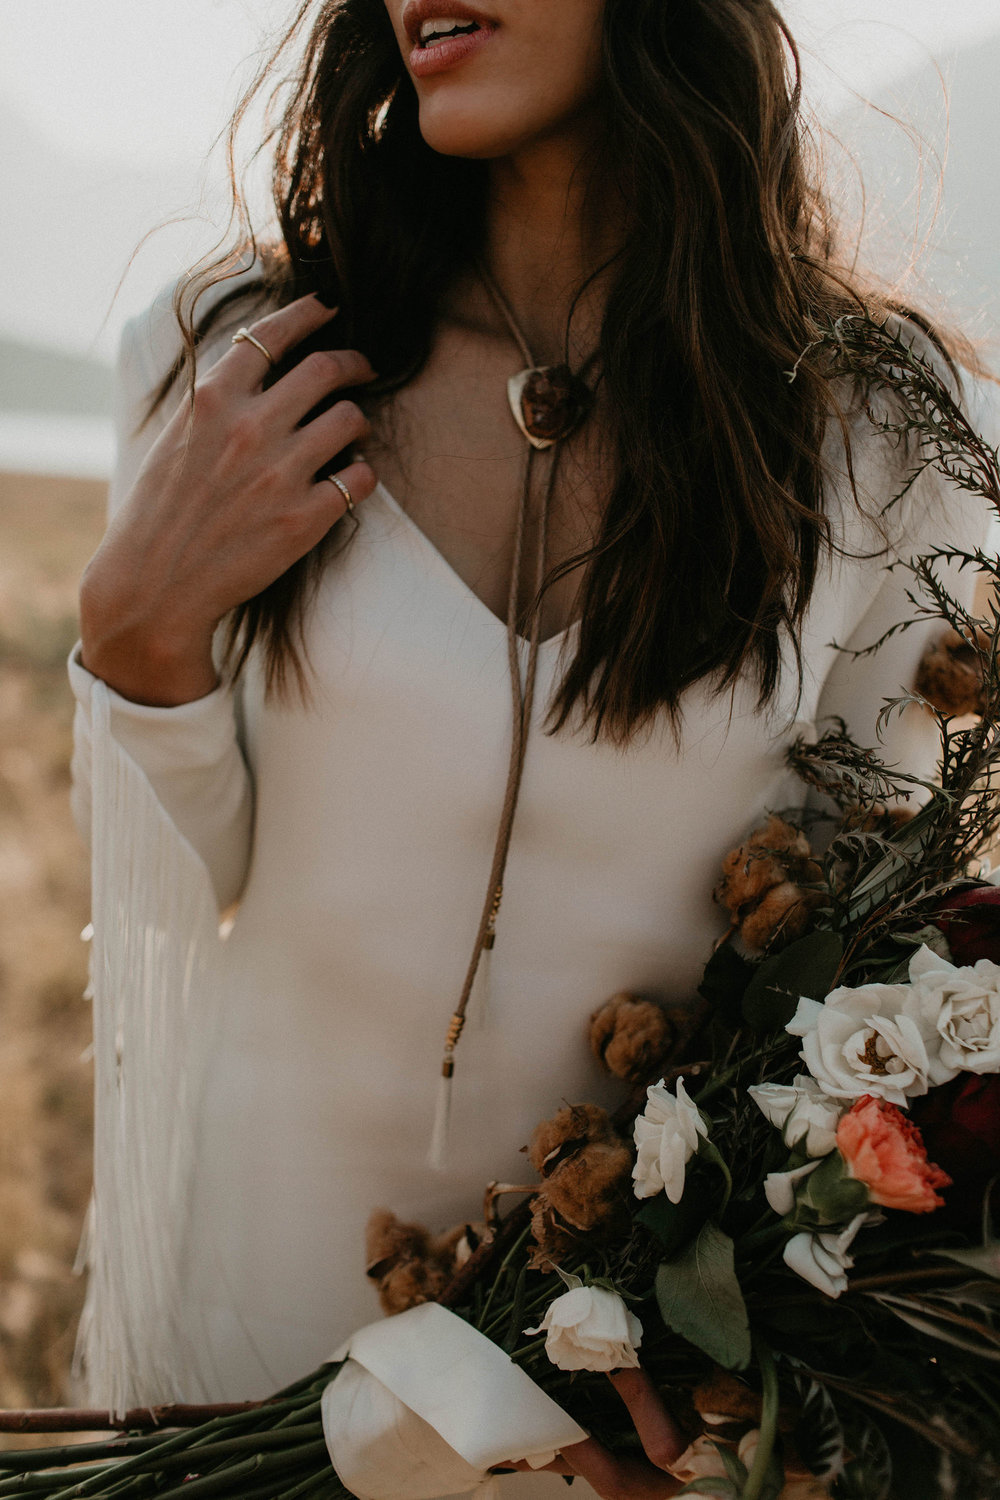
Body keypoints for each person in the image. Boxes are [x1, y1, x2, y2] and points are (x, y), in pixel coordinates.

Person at [68, 0, 994, 1494]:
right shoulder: (240, 359)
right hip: (249, 1317)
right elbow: (193, 884)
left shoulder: (875, 431)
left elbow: (861, 952)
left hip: (613, 1391)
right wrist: (132, 634)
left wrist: (724, 1339)